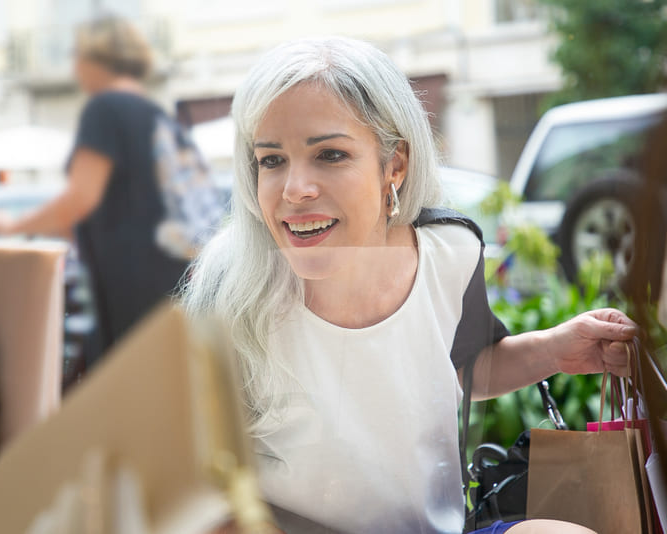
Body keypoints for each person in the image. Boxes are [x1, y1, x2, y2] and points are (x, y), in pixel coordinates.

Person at [181, 37, 636, 534]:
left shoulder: (450, 252)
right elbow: (194, 486)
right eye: (271, 160)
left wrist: (557, 349)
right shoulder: (233, 293)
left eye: (330, 154)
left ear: (394, 164)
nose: (295, 189)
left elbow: (463, 367)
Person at [0, 15, 210, 362]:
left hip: (129, 290)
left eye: (76, 56)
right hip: (171, 284)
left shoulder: (106, 108)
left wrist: (10, 226)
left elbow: (80, 199)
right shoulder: (158, 116)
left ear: (94, 57)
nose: (75, 68)